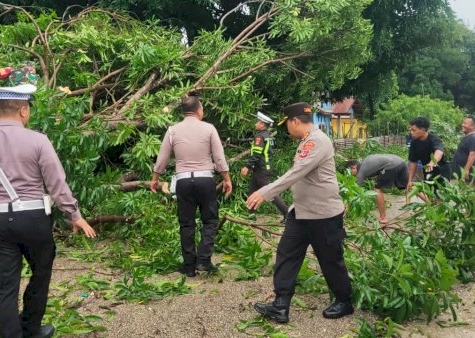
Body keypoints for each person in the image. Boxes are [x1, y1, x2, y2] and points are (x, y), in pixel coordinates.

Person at [0, 83, 97, 338]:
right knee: (41, 272)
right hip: (34, 220)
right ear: (23, 110)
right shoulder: (38, 140)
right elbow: (56, 183)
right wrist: (74, 215)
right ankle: (31, 329)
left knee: (3, 288)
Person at [246, 102, 353, 323]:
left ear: (295, 121)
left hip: (323, 215)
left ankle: (344, 301)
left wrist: (264, 192)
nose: (287, 129)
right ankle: (281, 305)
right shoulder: (307, 141)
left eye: (287, 124)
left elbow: (296, 173)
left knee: (331, 259)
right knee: (286, 255)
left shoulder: (317, 141)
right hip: (301, 213)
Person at [150, 95, 233, 277]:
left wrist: (155, 178)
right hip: (205, 180)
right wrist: (226, 178)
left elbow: (162, 158)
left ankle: (189, 266)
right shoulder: (209, 129)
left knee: (186, 224)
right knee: (210, 220)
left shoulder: (172, 130)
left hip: (183, 181)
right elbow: (219, 158)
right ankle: (204, 260)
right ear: (198, 110)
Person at [239, 112, 289, 222]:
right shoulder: (268, 136)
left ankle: (286, 212)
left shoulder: (259, 137)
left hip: (261, 169)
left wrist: (247, 167)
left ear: (262, 124)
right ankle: (251, 215)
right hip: (261, 168)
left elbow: (257, 153)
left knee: (269, 192)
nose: (255, 124)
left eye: (257, 122)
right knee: (252, 190)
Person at [346, 154, 409, 224]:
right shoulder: (366, 162)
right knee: (409, 185)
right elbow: (378, 170)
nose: (351, 174)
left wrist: (346, 206)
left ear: (353, 167)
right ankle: (422, 202)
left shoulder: (361, 171)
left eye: (350, 171)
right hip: (401, 162)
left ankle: (383, 217)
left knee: (377, 189)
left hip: (391, 165)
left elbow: (354, 190)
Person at [406, 116, 450, 202]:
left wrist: (432, 162)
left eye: (413, 130)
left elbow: (439, 151)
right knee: (431, 196)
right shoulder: (414, 143)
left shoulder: (434, 139)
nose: (411, 132)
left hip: (441, 172)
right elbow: (413, 162)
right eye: (410, 130)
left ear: (422, 130)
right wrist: (410, 180)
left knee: (442, 198)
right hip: (428, 172)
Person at [451, 116, 475, 182]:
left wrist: (466, 169)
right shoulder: (468, 137)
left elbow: (472, 154)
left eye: (465, 123)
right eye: (463, 123)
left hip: (468, 175)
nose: (462, 125)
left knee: (468, 191)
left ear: (472, 126)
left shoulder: (473, 138)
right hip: (460, 174)